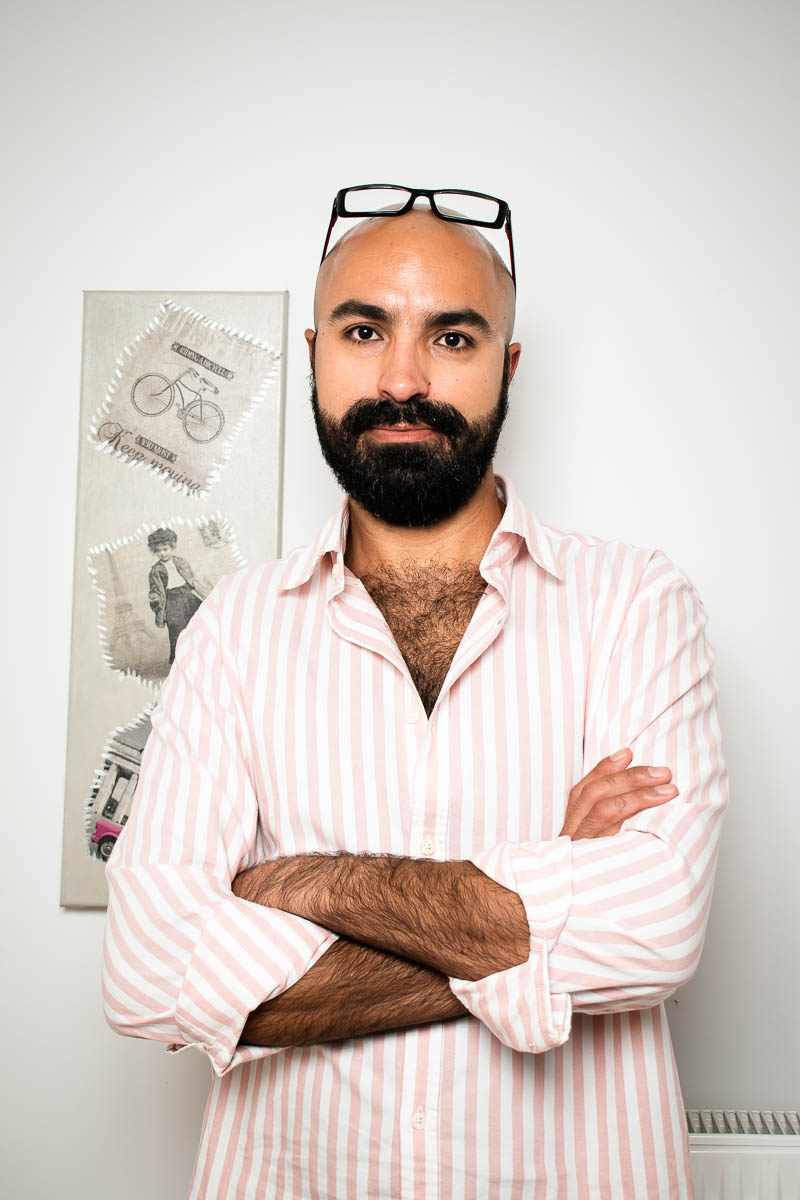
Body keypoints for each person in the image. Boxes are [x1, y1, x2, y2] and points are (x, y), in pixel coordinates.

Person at [103, 185, 728, 1199]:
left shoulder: (633, 603)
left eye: (451, 337)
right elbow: (144, 974)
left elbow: (655, 927)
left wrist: (304, 884)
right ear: (314, 350)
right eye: (363, 330)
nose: (402, 379)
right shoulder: (234, 629)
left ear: (506, 366)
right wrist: (552, 895)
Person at [146, 527, 208, 665]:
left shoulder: (180, 561)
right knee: (177, 630)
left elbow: (192, 576)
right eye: (158, 551)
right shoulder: (155, 571)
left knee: (197, 625)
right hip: (171, 600)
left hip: (188, 596)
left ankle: (203, 657)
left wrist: (199, 584)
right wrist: (154, 597)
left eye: (165, 549)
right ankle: (183, 662)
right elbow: (155, 589)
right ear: (154, 552)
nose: (162, 553)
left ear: (172, 547)